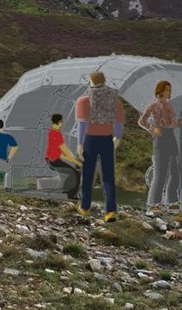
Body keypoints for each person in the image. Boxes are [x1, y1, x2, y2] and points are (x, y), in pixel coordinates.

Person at [75, 71, 125, 222]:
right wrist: (117, 137)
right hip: (107, 140)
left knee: (88, 174)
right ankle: (110, 211)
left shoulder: (84, 100)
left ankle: (85, 207)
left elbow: (82, 123)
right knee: (108, 176)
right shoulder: (114, 99)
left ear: (91, 82)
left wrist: (79, 143)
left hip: (90, 139)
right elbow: (119, 122)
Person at [139, 80, 182, 211]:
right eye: (167, 89)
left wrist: (180, 122)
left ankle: (171, 201)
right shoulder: (153, 105)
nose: (169, 92)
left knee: (175, 172)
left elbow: (172, 123)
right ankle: (154, 203)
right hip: (160, 138)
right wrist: (153, 128)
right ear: (160, 90)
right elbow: (142, 120)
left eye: (169, 89)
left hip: (171, 137)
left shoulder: (170, 105)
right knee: (160, 173)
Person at [45, 113, 83, 200]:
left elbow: (59, 153)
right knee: (76, 173)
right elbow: (65, 149)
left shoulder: (51, 132)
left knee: (71, 172)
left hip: (52, 160)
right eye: (61, 122)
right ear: (59, 122)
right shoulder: (57, 134)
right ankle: (72, 195)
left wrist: (71, 160)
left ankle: (66, 191)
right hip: (54, 161)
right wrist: (76, 161)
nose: (62, 123)